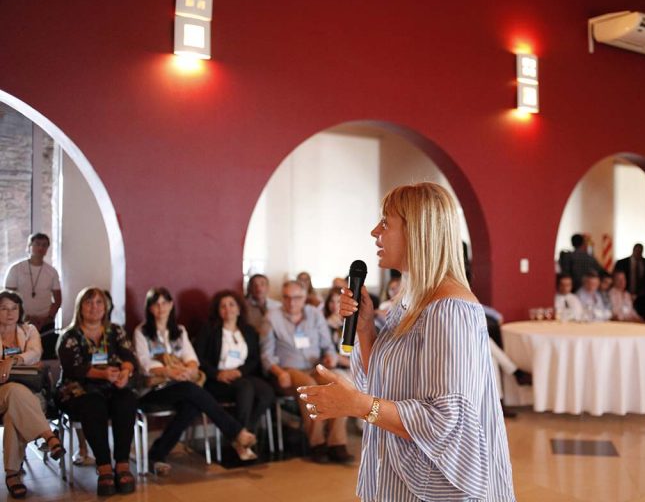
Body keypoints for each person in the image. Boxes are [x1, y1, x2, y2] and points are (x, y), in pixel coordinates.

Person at [297, 182, 515, 501]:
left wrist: (357, 405)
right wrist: (365, 329)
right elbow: (382, 384)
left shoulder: (450, 310)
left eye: (385, 223)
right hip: (401, 476)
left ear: (418, 231)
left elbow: (446, 422)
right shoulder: (410, 301)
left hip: (437, 488)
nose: (375, 231)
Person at [133, 287, 258, 473]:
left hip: (180, 386)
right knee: (191, 391)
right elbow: (145, 363)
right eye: (156, 304)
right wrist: (170, 371)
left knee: (192, 405)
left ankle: (157, 455)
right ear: (149, 308)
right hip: (153, 389)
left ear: (171, 305)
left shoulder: (179, 331)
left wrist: (188, 369)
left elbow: (192, 358)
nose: (161, 308)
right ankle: (236, 432)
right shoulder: (142, 332)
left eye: (165, 303)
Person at [56, 287, 137, 496]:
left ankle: (122, 463)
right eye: (89, 302)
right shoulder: (69, 336)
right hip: (78, 389)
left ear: (106, 307)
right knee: (93, 403)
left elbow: (129, 356)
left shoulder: (116, 331)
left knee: (127, 399)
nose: (94, 307)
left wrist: (125, 372)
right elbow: (73, 368)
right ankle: (104, 466)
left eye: (99, 302)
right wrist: (102, 374)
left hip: (112, 386)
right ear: (80, 307)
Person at [261, 281, 352, 464]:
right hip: (287, 371)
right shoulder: (272, 317)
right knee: (309, 386)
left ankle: (337, 443)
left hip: (314, 366)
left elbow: (327, 346)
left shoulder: (314, 315)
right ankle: (317, 444)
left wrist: (330, 357)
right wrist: (279, 373)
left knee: (339, 384)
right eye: (287, 297)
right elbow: (266, 355)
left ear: (305, 298)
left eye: (296, 298)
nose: (291, 302)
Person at [0, 290, 65, 499]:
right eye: (4, 308)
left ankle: (12, 474)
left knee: (13, 410)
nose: (10, 313)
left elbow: (35, 353)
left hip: (31, 394)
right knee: (13, 391)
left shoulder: (29, 331)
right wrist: (23, 361)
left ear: (20, 311)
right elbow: (32, 360)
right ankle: (48, 436)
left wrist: (12, 361)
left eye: (14, 308)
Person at [195, 290, 275, 458]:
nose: (228, 309)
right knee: (245, 388)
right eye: (223, 306)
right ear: (218, 310)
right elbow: (199, 358)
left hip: (242, 374)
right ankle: (241, 440)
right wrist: (217, 374)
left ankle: (241, 434)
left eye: (231, 305)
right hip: (217, 380)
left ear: (239, 309)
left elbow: (254, 359)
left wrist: (240, 371)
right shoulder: (209, 330)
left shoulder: (248, 331)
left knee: (266, 392)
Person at [3, 233, 62, 358]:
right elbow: (7, 299)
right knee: (17, 356)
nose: (41, 248)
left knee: (44, 357)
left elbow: (58, 299)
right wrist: (24, 317)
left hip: (45, 323)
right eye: (37, 244)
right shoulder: (16, 269)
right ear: (29, 246)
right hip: (19, 322)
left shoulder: (51, 272)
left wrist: (48, 318)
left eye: (44, 245)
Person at [614, 243, 645, 318]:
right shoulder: (622, 262)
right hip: (625, 293)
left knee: (639, 317)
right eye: (637, 251)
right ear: (633, 250)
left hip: (642, 298)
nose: (638, 253)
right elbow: (616, 277)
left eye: (640, 251)